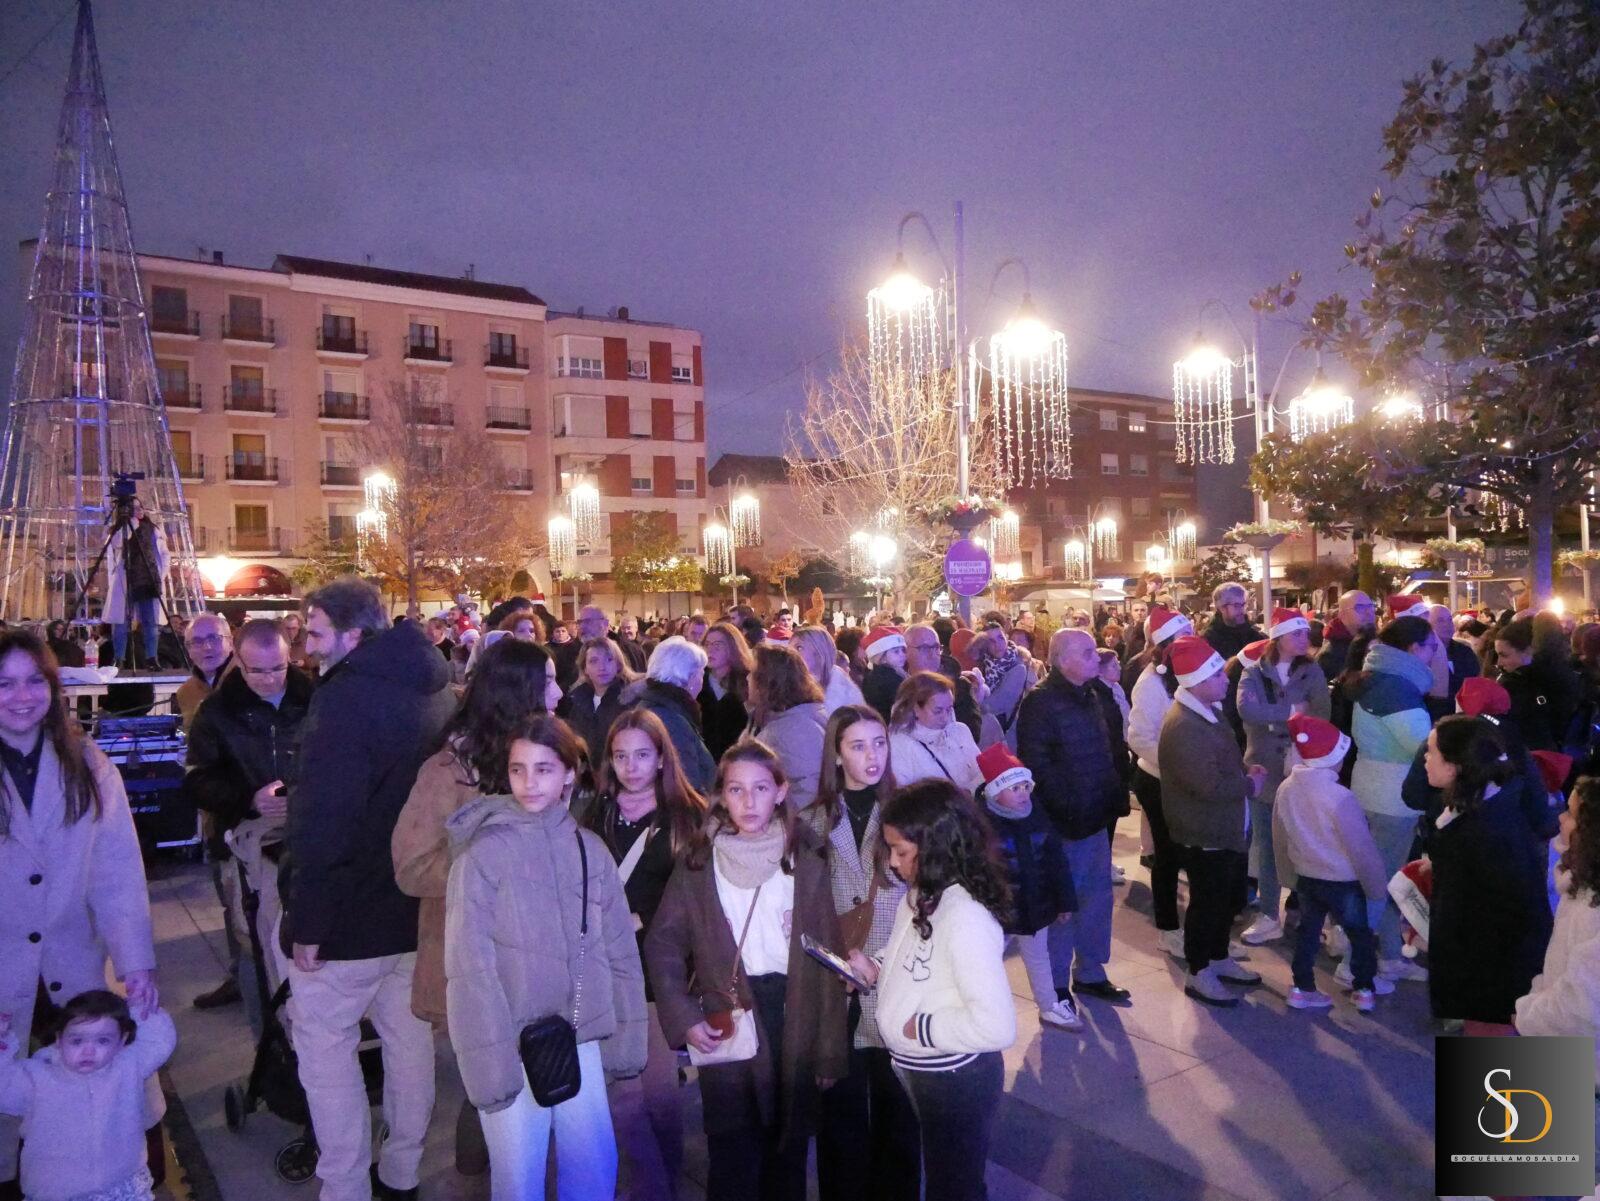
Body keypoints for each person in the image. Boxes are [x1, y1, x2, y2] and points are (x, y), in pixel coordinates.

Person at [282, 578, 455, 1201]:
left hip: (350, 913)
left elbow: (326, 819)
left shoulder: (347, 698)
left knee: (327, 1054)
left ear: (355, 635)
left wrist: (309, 923)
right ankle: (402, 1173)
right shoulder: (432, 687)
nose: (305, 644)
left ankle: (346, 1185)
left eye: (317, 631)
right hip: (412, 904)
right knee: (408, 1045)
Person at [445, 716, 646, 1199]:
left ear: (569, 775)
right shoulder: (482, 856)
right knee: (518, 1178)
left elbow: (620, 951)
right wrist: (490, 1067)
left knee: (594, 1169)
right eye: (518, 770)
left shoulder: (589, 849)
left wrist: (626, 1041)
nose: (529, 783)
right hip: (512, 1043)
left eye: (543, 769)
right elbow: (468, 969)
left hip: (581, 1038)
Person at [643, 739, 849, 1201]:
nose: (749, 801)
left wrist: (830, 1049)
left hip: (792, 1013)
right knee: (733, 1155)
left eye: (760, 788)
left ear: (779, 792)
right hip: (730, 1013)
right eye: (736, 790)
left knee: (788, 1153)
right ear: (721, 796)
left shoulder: (807, 857)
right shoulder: (701, 861)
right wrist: (683, 1015)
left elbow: (827, 957)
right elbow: (664, 942)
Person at [0, 629, 158, 1196]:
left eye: (33, 681)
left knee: (103, 1110)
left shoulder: (87, 764)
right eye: (4, 683)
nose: (21, 696)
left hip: (78, 971)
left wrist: (135, 962)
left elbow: (116, 871)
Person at [861, 778, 1017, 1201]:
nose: (893, 863)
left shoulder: (965, 916)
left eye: (901, 852)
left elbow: (997, 1026)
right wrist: (873, 967)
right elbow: (904, 956)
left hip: (955, 1078)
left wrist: (920, 1028)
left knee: (955, 1187)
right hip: (922, 1071)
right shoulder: (922, 895)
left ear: (936, 847)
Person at [583, 709, 707, 1197]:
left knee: (657, 1092)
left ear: (661, 758)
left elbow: (700, 898)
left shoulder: (687, 817)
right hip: (603, 970)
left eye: (641, 755)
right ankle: (654, 1186)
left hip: (660, 974)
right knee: (622, 1094)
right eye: (620, 756)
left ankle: (664, 1180)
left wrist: (647, 919)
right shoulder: (596, 814)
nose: (630, 767)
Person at [804, 705, 919, 1201]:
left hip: (897, 979)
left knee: (900, 1115)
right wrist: (837, 952)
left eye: (879, 743)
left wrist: (885, 958)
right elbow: (806, 903)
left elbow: (927, 899)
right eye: (857, 745)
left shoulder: (906, 814)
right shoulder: (811, 820)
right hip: (839, 985)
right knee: (841, 1116)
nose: (871, 756)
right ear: (835, 752)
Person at [183, 619, 312, 1031]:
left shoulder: (315, 699)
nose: (269, 679)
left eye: (277, 668)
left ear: (290, 656)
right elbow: (198, 779)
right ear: (238, 659)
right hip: (243, 845)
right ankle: (270, 1048)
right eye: (256, 670)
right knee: (254, 950)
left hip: (306, 841)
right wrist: (248, 799)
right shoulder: (216, 712)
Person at [1016, 628, 1134, 1007]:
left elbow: (1105, 750)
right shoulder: (1040, 702)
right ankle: (1055, 985)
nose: (1095, 658)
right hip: (1064, 821)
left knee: (1096, 899)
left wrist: (1112, 793)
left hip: (1095, 813)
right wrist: (1067, 805)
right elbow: (1038, 764)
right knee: (1063, 907)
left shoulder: (1092, 694)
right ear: (1062, 658)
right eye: (1086, 652)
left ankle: (1091, 972)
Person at [1157, 636, 1267, 1007]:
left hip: (1223, 826)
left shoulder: (1206, 709)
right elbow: (1208, 785)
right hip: (1205, 829)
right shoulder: (1185, 725)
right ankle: (1199, 970)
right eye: (1218, 674)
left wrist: (1241, 770)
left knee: (1222, 900)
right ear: (1198, 681)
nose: (1226, 679)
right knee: (1206, 903)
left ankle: (1218, 957)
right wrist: (1249, 782)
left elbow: (1220, 764)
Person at [1424, 715, 1552, 1025]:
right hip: (1493, 972)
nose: (1425, 759)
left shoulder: (1480, 831)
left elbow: (1481, 919)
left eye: (1431, 752)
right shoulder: (1489, 808)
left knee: (1493, 1066)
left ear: (1455, 766)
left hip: (1492, 980)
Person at [0, 992, 176, 1201]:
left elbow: (159, 1041)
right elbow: (4, 1087)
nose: (88, 1051)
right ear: (59, 1039)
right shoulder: (35, 1077)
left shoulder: (128, 1065)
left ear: (122, 1041)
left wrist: (140, 1005)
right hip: (57, 1192)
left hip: (122, 1185)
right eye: (77, 1041)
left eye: (103, 1041)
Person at [1271, 715, 1387, 1011]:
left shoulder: (1286, 789)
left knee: (1308, 933)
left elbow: (1280, 835)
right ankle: (1363, 988)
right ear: (1331, 759)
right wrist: (1376, 886)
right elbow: (1360, 847)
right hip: (1343, 881)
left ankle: (1301, 987)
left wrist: (1287, 874)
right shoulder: (1340, 797)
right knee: (1359, 935)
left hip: (1307, 877)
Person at [1347, 614, 1437, 985]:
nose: (1435, 654)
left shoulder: (1376, 677)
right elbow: (1423, 748)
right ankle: (1358, 964)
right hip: (1392, 797)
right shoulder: (1397, 690)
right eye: (1432, 647)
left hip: (1370, 787)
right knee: (1380, 883)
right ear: (1414, 649)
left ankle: (1388, 954)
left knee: (1378, 879)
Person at [1236, 608, 1331, 946]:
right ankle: (1268, 914)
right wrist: (1292, 714)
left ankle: (1302, 910)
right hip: (1263, 768)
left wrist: (1275, 719)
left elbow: (1321, 714)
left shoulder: (1313, 671)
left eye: (1306, 634)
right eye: (1297, 634)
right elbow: (1248, 710)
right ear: (1278, 638)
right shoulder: (1254, 672)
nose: (1305, 639)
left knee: (1301, 842)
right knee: (1265, 844)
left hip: (1301, 769)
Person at [976, 744, 1081, 1031]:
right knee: (987, 960)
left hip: (1035, 905)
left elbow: (1056, 861)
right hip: (999, 912)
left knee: (1038, 958)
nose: (1023, 793)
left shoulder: (1037, 816)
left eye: (1025, 786)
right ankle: (983, 1008)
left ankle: (1049, 1005)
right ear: (995, 793)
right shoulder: (982, 824)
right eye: (1015, 788)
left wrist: (1064, 902)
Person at [1515, 776, 1600, 1061]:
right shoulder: (1583, 882)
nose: (1560, 817)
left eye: (1571, 814)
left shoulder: (1592, 907)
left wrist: (1528, 1014)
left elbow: (1583, 1004)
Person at [1126, 607, 1195, 959]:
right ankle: (1169, 928)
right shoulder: (1151, 682)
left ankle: (1202, 932)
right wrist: (1175, 766)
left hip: (1187, 780)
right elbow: (1139, 736)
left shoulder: (1188, 673)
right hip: (1160, 779)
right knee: (1168, 857)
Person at [749, 643, 828, 812]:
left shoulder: (794, 729)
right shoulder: (789, 718)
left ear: (768, 682)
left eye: (752, 673)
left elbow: (808, 789)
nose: (747, 678)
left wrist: (783, 822)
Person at [640, 636, 717, 795]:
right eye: (701, 674)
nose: (703, 681)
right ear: (689, 677)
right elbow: (688, 784)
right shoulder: (672, 720)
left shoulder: (655, 704)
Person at [887, 672, 984, 795]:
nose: (945, 717)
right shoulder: (899, 745)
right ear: (915, 709)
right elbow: (903, 800)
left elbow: (982, 771)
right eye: (938, 711)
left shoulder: (960, 730)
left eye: (949, 709)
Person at [1496, 612, 1581, 753]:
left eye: (1504, 655)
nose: (1499, 663)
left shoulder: (1518, 685)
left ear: (1529, 651)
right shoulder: (1565, 674)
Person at [104, 498, 170, 667]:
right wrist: (131, 523)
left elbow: (163, 554)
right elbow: (118, 543)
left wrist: (160, 574)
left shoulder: (153, 529)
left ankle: (152, 658)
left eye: (140, 506)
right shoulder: (119, 530)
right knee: (121, 621)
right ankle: (119, 658)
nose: (139, 510)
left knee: (150, 621)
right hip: (127, 577)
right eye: (134, 508)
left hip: (148, 577)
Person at [559, 636, 637, 761]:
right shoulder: (577, 699)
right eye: (594, 661)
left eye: (609, 659)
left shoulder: (629, 700)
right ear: (585, 668)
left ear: (618, 664)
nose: (602, 667)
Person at [699, 621, 754, 762]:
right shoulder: (697, 682)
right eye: (707, 644)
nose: (710, 650)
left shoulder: (749, 682)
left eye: (717, 645)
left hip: (740, 761)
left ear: (733, 647)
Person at [174, 612, 233, 728]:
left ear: (230, 642)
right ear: (188, 649)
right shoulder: (186, 692)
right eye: (197, 641)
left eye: (214, 638)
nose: (207, 647)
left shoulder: (251, 681)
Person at [793, 625, 864, 717]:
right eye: (789, 647)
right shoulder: (794, 684)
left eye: (799, 648)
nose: (790, 652)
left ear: (820, 652)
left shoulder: (843, 694)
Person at [1425, 603, 1479, 719]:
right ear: (1429, 626)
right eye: (1440, 620)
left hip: (1464, 716)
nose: (1447, 624)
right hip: (1435, 718)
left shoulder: (1465, 651)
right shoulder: (1424, 654)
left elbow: (1475, 681)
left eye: (1449, 619)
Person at [1316, 590, 1376, 689]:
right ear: (1342, 615)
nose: (1369, 612)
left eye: (1371, 607)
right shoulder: (1330, 654)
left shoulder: (1376, 644)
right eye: (1360, 608)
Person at [1203, 582, 1265, 661]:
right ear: (1222, 608)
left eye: (1243, 604)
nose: (1242, 610)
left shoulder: (1253, 633)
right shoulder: (1210, 639)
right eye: (1236, 605)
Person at [860, 626, 909, 723]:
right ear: (882, 656)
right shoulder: (890, 678)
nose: (902, 655)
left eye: (903, 650)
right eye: (896, 651)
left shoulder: (873, 674)